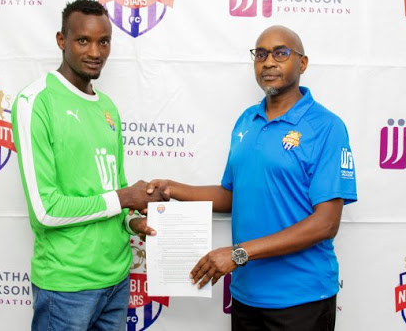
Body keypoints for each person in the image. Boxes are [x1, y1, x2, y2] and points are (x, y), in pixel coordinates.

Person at [147, 25, 357, 331]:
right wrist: (174, 188)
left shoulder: (327, 127)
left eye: (281, 53)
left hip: (301, 299)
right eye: (260, 54)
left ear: (303, 63)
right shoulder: (247, 121)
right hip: (247, 296)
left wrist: (238, 254)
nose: (269, 62)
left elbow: (326, 223)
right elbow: (234, 194)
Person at [11, 0, 164, 331]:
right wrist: (125, 199)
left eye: (104, 41)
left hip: (117, 280)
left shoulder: (107, 107)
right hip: (67, 288)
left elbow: (113, 191)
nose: (95, 52)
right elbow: (46, 210)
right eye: (83, 40)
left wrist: (132, 222)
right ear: (61, 41)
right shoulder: (36, 102)